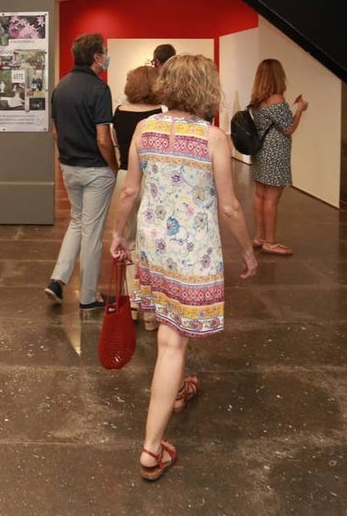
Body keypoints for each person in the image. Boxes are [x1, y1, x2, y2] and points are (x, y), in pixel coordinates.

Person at [109, 54, 257, 481]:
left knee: (170, 329)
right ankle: (151, 451)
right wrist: (248, 250)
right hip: (193, 254)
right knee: (173, 342)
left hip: (154, 249)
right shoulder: (212, 138)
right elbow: (229, 205)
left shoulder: (144, 129)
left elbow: (130, 192)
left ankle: (175, 391)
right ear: (205, 89)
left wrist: (119, 234)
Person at [44, 33, 119, 310]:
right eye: (105, 52)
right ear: (97, 57)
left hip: (69, 166)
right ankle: (88, 296)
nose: (107, 56)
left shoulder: (60, 87)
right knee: (93, 233)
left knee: (77, 222)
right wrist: (113, 166)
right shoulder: (99, 90)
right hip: (95, 170)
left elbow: (56, 131)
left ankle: (58, 279)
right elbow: (103, 138)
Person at [110, 65, 163, 328]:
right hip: (153, 183)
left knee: (129, 243)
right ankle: (152, 314)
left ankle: (132, 304)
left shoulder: (119, 112)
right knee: (152, 247)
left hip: (124, 179)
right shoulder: (160, 114)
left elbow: (114, 143)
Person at [248, 58, 308, 256]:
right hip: (275, 153)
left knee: (260, 195)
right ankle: (271, 242)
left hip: (259, 151)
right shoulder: (277, 99)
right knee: (272, 198)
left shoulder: (257, 99)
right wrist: (300, 110)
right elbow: (289, 128)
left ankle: (259, 237)